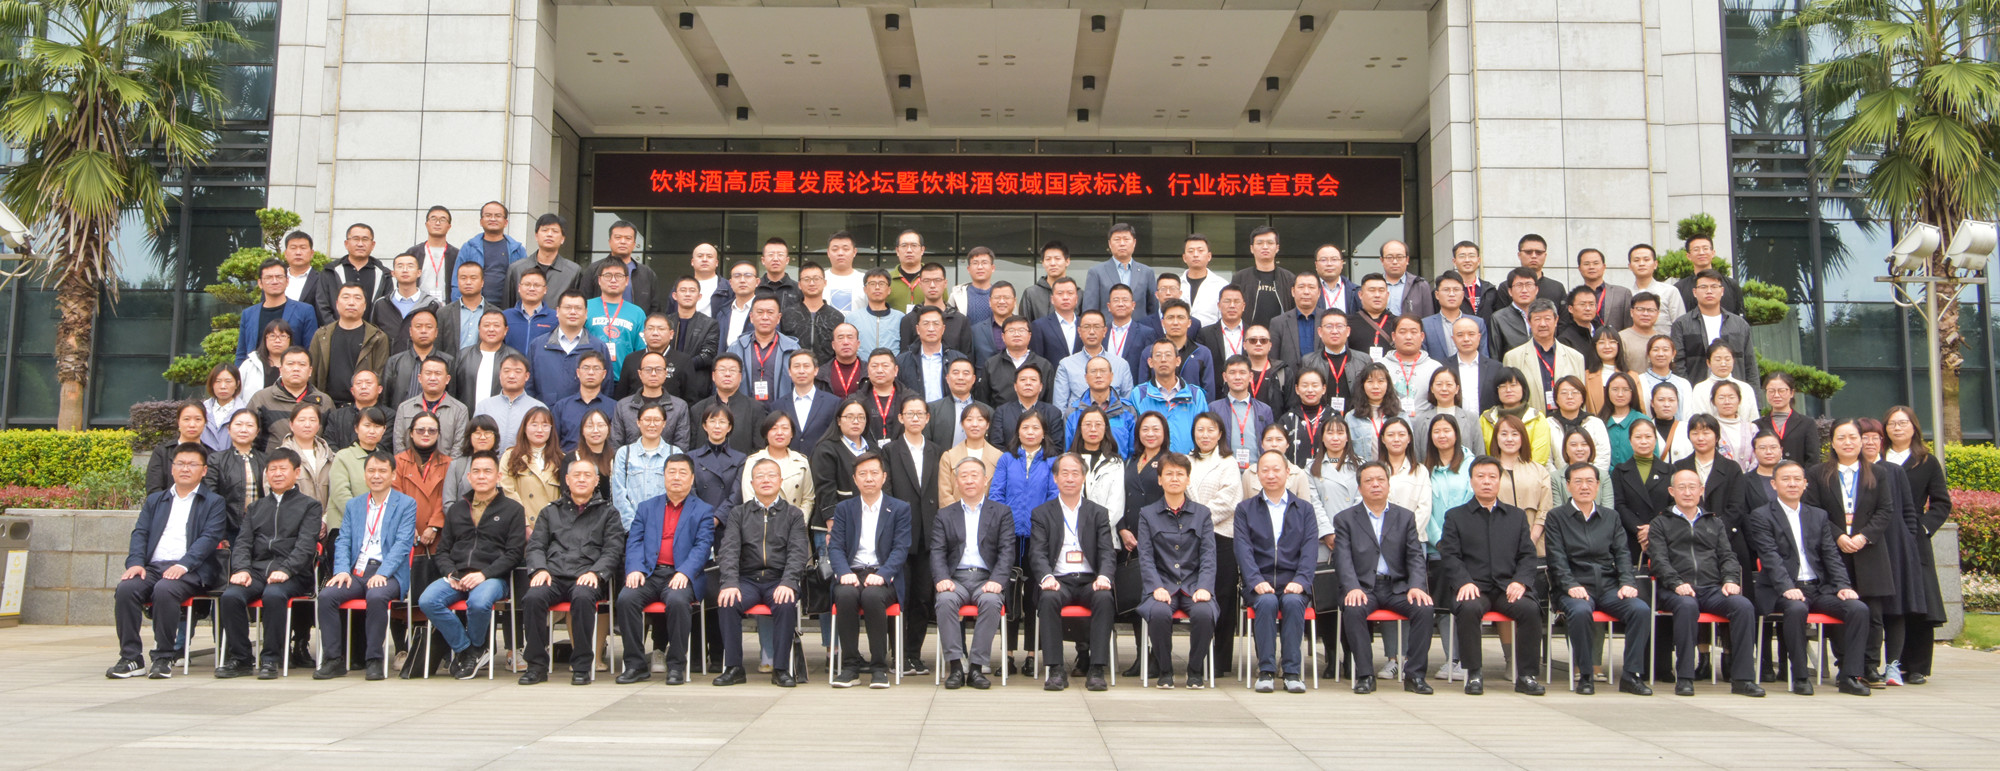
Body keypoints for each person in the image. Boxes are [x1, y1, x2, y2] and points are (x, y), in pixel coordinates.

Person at [1748, 460, 1873, 696]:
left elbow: (1830, 555)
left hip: (1818, 588)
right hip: (1781, 589)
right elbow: (1770, 557)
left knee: (1857, 608)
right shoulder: (1761, 516)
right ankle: (1800, 675)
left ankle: (1850, 676)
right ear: (1774, 484)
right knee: (1796, 609)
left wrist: (1843, 585)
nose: (1792, 484)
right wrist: (1787, 587)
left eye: (1797, 479)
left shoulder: (1818, 515)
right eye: (1786, 479)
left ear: (1805, 483)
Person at [108, 443, 228, 679]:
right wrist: (136, 563)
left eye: (192, 464)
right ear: (172, 469)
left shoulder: (214, 502)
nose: (185, 469)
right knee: (126, 589)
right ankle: (131, 658)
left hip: (191, 569)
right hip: (153, 567)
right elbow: (140, 533)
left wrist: (183, 565)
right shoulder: (156, 500)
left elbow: (209, 538)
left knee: (165, 589)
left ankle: (163, 657)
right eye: (180, 464)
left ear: (204, 470)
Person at [1649, 468, 1764, 697]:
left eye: (1692, 487)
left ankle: (1743, 679)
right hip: (1676, 590)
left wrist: (1730, 580)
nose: (1687, 492)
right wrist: (1676, 583)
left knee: (1743, 606)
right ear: (1672, 491)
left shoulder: (1714, 522)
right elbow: (1659, 560)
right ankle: (1685, 678)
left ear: (1701, 490)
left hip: (1711, 589)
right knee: (1686, 606)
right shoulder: (1660, 523)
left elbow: (1728, 556)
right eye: (1682, 487)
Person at [1438, 456, 1546, 695]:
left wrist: (1521, 581)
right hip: (1474, 586)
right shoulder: (1455, 516)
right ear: (1471, 481)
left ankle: (1526, 675)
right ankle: (1474, 673)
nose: (1486, 482)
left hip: (1508, 586)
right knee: (1468, 608)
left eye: (1492, 477)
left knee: (1530, 609)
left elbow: (1528, 555)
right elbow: (1450, 555)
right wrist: (1463, 582)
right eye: (1480, 476)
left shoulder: (1516, 516)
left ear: (1499, 481)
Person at [1544, 461, 1654, 696]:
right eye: (1578, 482)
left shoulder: (1611, 517)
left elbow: (1622, 554)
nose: (1584, 487)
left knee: (1640, 609)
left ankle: (1631, 675)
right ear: (1568, 486)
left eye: (1589, 482)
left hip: (1608, 585)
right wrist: (1570, 585)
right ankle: (1586, 674)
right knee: (1580, 611)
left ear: (1598, 485)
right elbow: (1556, 558)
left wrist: (1627, 583)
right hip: (1572, 586)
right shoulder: (1556, 517)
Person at [212, 449, 322, 681]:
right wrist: (242, 569)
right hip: (257, 570)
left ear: (296, 472)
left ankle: (271, 658)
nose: (277, 474)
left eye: (283, 469)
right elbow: (243, 543)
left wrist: (286, 570)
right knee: (231, 596)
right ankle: (241, 658)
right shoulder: (256, 507)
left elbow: (305, 546)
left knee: (274, 595)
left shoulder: (310, 506)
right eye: (273, 469)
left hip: (294, 573)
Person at [418, 450, 527, 680]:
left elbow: (514, 554)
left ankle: (476, 646)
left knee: (478, 603)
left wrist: (484, 574)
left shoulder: (513, 510)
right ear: (468, 477)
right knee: (428, 600)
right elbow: (443, 550)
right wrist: (451, 573)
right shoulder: (457, 509)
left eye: (487, 471)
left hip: (493, 577)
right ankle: (469, 649)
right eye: (476, 471)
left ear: (498, 476)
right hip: (457, 576)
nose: (481, 476)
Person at [1805, 420, 1898, 685]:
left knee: (1873, 613)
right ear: (1832, 442)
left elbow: (1885, 510)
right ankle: (1846, 664)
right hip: (1834, 552)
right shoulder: (1818, 473)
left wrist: (1863, 536)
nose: (1848, 442)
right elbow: (1814, 511)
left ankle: (1869, 666)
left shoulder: (1878, 473)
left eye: (1853, 437)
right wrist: (1838, 536)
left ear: (1861, 440)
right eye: (1841, 437)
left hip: (1870, 552)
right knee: (1842, 610)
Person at [516, 459, 624, 686]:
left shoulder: (608, 513)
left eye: (587, 475)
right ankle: (536, 666)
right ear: (567, 479)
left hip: (587, 576)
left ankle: (582, 666)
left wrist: (596, 573)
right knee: (533, 597)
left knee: (583, 597)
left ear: (596, 481)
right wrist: (539, 569)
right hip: (553, 575)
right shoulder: (550, 511)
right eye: (577, 475)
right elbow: (536, 546)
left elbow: (613, 550)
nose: (582, 479)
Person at [1334, 460, 1436, 694]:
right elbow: (1342, 559)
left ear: (1389, 485)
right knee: (1353, 609)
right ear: (1360, 488)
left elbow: (1415, 556)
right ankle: (1365, 675)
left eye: (1380, 480)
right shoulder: (1345, 519)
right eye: (1368, 481)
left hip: (1397, 587)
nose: (1375, 485)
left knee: (1424, 608)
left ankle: (1415, 676)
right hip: (1363, 588)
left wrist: (1417, 586)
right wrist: (1352, 587)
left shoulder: (1405, 517)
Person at [616, 454, 717, 685]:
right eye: (671, 472)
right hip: (649, 574)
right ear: (664, 476)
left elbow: (703, 547)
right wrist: (635, 569)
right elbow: (634, 541)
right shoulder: (646, 507)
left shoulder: (703, 510)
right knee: (626, 599)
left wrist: (685, 572)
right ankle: (635, 665)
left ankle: (676, 666)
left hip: (680, 575)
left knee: (678, 601)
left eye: (682, 472)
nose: (676, 477)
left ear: (692, 478)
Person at [314, 450, 415, 680]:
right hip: (357, 571)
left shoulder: (406, 504)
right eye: (371, 471)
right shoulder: (354, 505)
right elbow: (343, 540)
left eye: (382, 471)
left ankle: (374, 660)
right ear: (365, 474)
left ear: (393, 475)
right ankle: (333, 659)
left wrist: (383, 573)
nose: (376, 476)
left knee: (376, 596)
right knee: (327, 596)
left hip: (388, 573)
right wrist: (341, 570)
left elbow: (402, 544)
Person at [1233, 450, 1318, 694]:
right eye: (1265, 470)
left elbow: (1310, 549)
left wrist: (1301, 580)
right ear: (1257, 475)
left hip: (1294, 583)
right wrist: (1255, 580)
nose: (1271, 475)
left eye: (1276, 469)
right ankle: (1266, 671)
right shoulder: (1245, 509)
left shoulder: (1304, 509)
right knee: (1267, 602)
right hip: (1258, 583)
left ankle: (1292, 672)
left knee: (1292, 602)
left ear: (1287, 472)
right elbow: (1243, 549)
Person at [1031, 453, 1117, 691]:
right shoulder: (1042, 513)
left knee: (1104, 597)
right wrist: (1047, 577)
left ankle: (1096, 668)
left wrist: (1104, 577)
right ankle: (1056, 669)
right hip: (1059, 581)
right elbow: (1037, 553)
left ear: (1084, 477)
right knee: (1048, 598)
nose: (1070, 478)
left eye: (1075, 473)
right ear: (1055, 478)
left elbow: (1107, 552)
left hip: (1090, 581)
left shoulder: (1098, 512)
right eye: (1065, 473)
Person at [828, 453, 912, 688]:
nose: (869, 478)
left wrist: (882, 574)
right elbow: (835, 546)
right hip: (852, 572)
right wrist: (844, 572)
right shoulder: (844, 508)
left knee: (873, 596)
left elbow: (901, 548)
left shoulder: (899, 508)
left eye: (874, 473)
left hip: (883, 574)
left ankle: (878, 667)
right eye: (862, 474)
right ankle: (850, 666)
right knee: (845, 595)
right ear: (855, 479)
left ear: (884, 477)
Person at [1135, 452, 1217, 688]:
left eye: (1180, 474)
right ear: (1159, 479)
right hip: (1162, 585)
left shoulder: (1202, 514)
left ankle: (1195, 670)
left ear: (1188, 479)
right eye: (1168, 474)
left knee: (1204, 613)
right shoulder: (1147, 514)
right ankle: (1165, 671)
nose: (1174, 478)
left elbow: (1208, 555)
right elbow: (1146, 557)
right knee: (1159, 613)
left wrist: (1204, 587)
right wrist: (1156, 587)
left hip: (1194, 585)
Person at [931, 456, 1014, 690]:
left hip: (986, 578)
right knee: (945, 600)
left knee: (991, 601)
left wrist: (997, 580)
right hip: (955, 578)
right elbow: (937, 551)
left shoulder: (1001, 512)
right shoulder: (945, 514)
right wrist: (942, 579)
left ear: (985, 480)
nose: (969, 481)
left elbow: (1007, 551)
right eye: (964, 476)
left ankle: (977, 667)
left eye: (974, 475)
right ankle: (956, 666)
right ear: (956, 481)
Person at [1882, 404, 1949, 682]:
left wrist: (1922, 528)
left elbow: (1941, 502)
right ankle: (1885, 663)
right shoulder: (1876, 458)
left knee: (1919, 600)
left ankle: (1917, 666)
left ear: (1914, 427)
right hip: (1880, 536)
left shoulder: (1927, 461)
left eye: (1903, 423)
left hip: (1913, 537)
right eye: (1892, 423)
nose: (1897, 428)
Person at [883, 395, 943, 675]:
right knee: (899, 596)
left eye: (921, 414)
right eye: (910, 413)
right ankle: (897, 654)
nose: (916, 418)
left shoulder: (937, 451)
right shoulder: (890, 451)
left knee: (922, 596)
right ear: (901, 417)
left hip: (929, 534)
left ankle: (913, 654)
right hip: (900, 533)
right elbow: (887, 491)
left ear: (928, 419)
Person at [1671, 269, 1759, 388]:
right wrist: (1686, 392)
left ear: (1722, 291)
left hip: (1734, 393)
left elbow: (1750, 364)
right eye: (1703, 287)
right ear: (1694, 292)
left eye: (1714, 286)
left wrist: (1754, 396)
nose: (1709, 291)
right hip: (1697, 393)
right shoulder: (1682, 325)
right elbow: (1678, 364)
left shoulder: (1739, 324)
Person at [310, 284, 390, 407]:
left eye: (357, 298)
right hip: (327, 405)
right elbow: (312, 372)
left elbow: (380, 374)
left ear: (365, 305)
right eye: (346, 297)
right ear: (337, 304)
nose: (351, 303)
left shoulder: (377, 337)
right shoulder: (322, 335)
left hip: (363, 406)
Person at [1502, 299, 1585, 414]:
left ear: (1556, 320)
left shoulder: (1576, 358)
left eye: (1547, 319)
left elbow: (1582, 399)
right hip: (1529, 421)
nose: (1543, 324)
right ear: (1529, 322)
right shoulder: (1513, 358)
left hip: (1566, 422)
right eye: (1537, 319)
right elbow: (1509, 400)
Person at [528, 291, 611, 406]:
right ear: (557, 311)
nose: (573, 312)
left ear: (586, 313)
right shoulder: (538, 346)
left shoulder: (598, 347)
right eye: (567, 307)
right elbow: (529, 386)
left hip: (586, 414)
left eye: (578, 308)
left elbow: (607, 388)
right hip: (546, 414)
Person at [1130, 339, 1209, 454]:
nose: (1163, 359)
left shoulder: (1195, 395)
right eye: (1158, 355)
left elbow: (1204, 432)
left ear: (1178, 361)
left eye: (1168, 355)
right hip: (1152, 461)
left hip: (1188, 460)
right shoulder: (1139, 394)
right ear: (1150, 362)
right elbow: (1134, 435)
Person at [237, 258, 319, 365]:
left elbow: (311, 351)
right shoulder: (248, 314)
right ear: (260, 283)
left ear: (287, 281)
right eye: (269, 277)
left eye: (279, 277)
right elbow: (241, 353)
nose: (275, 281)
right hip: (256, 372)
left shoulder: (305, 311)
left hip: (290, 372)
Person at [611, 404, 680, 528]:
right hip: (631, 528)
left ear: (664, 423)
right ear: (638, 422)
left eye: (657, 420)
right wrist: (633, 526)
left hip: (665, 528)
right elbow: (618, 494)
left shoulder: (674, 453)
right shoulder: (625, 453)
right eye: (647, 420)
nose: (652, 424)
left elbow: (679, 492)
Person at [1612, 419, 1673, 561]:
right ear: (1630, 440)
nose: (1643, 441)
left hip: (1664, 536)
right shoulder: (1620, 471)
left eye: (1648, 436)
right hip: (1633, 537)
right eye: (1638, 437)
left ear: (1655, 440)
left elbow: (1673, 504)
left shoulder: (1669, 470)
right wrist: (1640, 529)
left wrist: (1653, 528)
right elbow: (1619, 505)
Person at [1052, 310, 1136, 409]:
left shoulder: (1121, 364)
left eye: (1096, 327)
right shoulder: (1066, 365)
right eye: (1086, 327)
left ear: (1104, 331)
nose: (1091, 332)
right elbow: (1059, 406)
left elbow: (1128, 405)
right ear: (1079, 331)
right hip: (1077, 418)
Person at [392, 412, 451, 553]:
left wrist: (434, 526)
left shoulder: (448, 463)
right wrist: (408, 526)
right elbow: (395, 495)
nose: (426, 434)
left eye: (432, 430)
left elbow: (447, 497)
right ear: (411, 433)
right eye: (420, 430)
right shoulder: (398, 461)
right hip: (403, 533)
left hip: (437, 535)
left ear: (438, 434)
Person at [314, 224, 394, 325]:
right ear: (346, 243)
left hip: (372, 333)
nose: (360, 244)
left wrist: (374, 332)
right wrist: (335, 329)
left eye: (365, 239)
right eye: (356, 239)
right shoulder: (330, 271)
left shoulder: (383, 274)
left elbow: (386, 309)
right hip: (335, 332)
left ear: (373, 244)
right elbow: (322, 305)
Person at [729, 295, 803, 404]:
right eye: (760, 312)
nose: (765, 317)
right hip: (744, 411)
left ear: (778, 318)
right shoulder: (737, 347)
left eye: (770, 312)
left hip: (782, 411)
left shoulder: (792, 348)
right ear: (751, 317)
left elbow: (801, 385)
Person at [616, 349, 694, 450]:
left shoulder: (679, 407)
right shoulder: (623, 406)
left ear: (665, 373)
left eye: (658, 369)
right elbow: (616, 444)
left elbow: (681, 445)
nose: (653, 373)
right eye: (648, 369)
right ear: (640, 374)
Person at [500, 407, 563, 531]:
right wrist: (524, 525)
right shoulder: (510, 456)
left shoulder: (561, 459)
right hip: (519, 527)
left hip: (553, 529)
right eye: (534, 425)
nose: (540, 430)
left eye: (545, 425)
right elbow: (507, 491)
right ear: (525, 428)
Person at [583, 259, 647, 383]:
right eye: (608, 276)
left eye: (619, 276)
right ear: (599, 280)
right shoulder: (585, 307)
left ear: (627, 280)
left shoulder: (637, 313)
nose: (613, 280)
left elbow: (641, 352)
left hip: (624, 381)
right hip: (589, 378)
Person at [453, 201, 526, 305]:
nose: (493, 219)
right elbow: (456, 282)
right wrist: (458, 307)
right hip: (475, 307)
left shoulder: (518, 250)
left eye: (498, 216)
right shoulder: (469, 248)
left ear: (506, 222)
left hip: (508, 308)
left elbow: (525, 282)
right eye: (488, 215)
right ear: (481, 221)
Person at [205, 409, 265, 537]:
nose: (243, 430)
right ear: (229, 429)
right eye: (238, 424)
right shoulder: (216, 459)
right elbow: (211, 496)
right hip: (229, 528)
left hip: (261, 528)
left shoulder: (266, 460)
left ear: (257, 431)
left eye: (250, 425)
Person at [581, 219, 659, 315]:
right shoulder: (594, 269)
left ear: (634, 244)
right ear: (610, 242)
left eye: (628, 238)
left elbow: (655, 308)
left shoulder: (647, 273)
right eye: (618, 237)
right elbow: (583, 302)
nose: (623, 242)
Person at [327, 407, 391, 524]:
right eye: (367, 425)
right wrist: (363, 517)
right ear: (356, 428)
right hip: (344, 523)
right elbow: (340, 493)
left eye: (377, 426)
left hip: (377, 524)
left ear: (384, 430)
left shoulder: (386, 460)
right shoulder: (343, 456)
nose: (372, 431)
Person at [899, 262, 976, 357]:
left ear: (945, 283)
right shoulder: (909, 320)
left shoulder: (960, 320)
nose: (932, 285)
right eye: (927, 281)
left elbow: (966, 358)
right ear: (920, 284)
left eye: (937, 280)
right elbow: (905, 357)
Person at [503, 214, 581, 308]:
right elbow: (507, 308)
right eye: (545, 230)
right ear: (536, 236)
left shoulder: (573, 272)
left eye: (555, 231)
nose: (549, 234)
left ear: (562, 239)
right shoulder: (516, 269)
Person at [369, 253, 441, 353]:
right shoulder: (381, 304)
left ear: (419, 273)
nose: (405, 270)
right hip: (388, 361)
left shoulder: (431, 304)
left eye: (410, 266)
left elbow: (439, 339)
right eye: (400, 266)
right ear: (393, 273)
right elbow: (373, 338)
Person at [694, 354, 767, 453]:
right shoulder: (698, 409)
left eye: (732, 370)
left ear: (740, 377)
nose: (727, 374)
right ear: (713, 376)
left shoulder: (755, 408)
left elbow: (759, 449)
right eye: (722, 370)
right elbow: (693, 448)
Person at [1082, 223, 1158, 317]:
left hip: (1139, 326)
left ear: (1134, 242)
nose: (1122, 243)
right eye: (1117, 239)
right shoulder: (1096, 272)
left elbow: (1153, 309)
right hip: (1108, 326)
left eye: (1126, 239)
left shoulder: (1147, 272)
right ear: (1110, 244)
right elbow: (1090, 310)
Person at [1478, 368, 1552, 464]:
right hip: (1493, 471)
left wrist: (1522, 470)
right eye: (1502, 386)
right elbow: (1481, 451)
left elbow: (1540, 456)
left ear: (1523, 388)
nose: (1508, 390)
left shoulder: (1537, 418)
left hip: (1530, 471)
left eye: (1513, 385)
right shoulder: (1486, 418)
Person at [896, 305, 969, 403]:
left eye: (936, 324)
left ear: (943, 329)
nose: (931, 329)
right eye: (926, 324)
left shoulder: (958, 360)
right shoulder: (902, 361)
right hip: (916, 412)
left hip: (949, 411)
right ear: (918, 329)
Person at [977, 317, 1054, 410]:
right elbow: (984, 402)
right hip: (1000, 418)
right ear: (1003, 336)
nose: (1016, 334)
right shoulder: (991, 364)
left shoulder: (1044, 365)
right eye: (1011, 330)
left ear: (1029, 335)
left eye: (1021, 330)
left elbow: (1048, 401)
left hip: (1035, 417)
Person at [472, 353, 543, 452]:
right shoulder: (484, 406)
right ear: (500, 375)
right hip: (490, 460)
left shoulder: (538, 408)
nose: (511, 376)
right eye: (506, 371)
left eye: (518, 371)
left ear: (527, 376)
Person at [1210, 356, 1274, 466]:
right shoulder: (1214, 408)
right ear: (1225, 377)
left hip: (1257, 470)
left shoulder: (1264, 410)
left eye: (1242, 372)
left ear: (1250, 376)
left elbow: (1270, 441)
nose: (1237, 377)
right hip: (1225, 469)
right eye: (1232, 373)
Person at [549, 351, 617, 452]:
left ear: (604, 374)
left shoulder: (614, 407)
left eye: (596, 368)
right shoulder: (562, 407)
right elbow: (552, 443)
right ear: (578, 372)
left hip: (603, 460)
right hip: (568, 459)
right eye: (586, 368)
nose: (591, 372)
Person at [1228, 227, 1297, 327]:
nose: (1265, 247)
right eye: (1259, 243)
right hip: (1249, 334)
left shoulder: (1289, 278)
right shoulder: (1240, 278)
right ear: (1252, 248)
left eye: (1270, 243)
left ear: (1277, 248)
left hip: (1281, 334)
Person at [380, 308, 448, 407]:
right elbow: (385, 400)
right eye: (418, 326)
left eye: (429, 327)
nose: (423, 331)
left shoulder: (448, 361)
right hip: (401, 415)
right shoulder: (394, 362)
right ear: (410, 331)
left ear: (436, 332)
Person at [940, 403, 1003, 506]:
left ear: (987, 425)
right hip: (955, 514)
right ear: (962, 424)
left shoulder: (999, 456)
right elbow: (944, 495)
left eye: (980, 420)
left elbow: (1000, 493)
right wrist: (956, 514)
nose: (974, 424)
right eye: (969, 420)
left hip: (990, 514)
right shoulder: (948, 457)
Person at [688, 403, 746, 514]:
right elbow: (690, 491)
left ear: (729, 427)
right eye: (712, 421)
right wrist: (704, 516)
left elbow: (736, 495)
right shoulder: (691, 457)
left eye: (722, 422)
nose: (717, 426)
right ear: (705, 426)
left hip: (727, 519)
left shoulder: (740, 459)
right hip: (698, 516)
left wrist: (718, 517)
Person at [665, 276, 720, 390]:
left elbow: (708, 355)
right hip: (666, 381)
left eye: (692, 290)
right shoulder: (665, 322)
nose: (687, 294)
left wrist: (680, 366)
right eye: (683, 290)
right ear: (675, 296)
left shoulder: (710, 324)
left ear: (699, 296)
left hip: (696, 383)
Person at [782, 262, 844, 364]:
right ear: (799, 284)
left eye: (816, 279)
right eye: (806, 279)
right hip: (795, 370)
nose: (812, 283)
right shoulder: (788, 315)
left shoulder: (836, 317)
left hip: (826, 372)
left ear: (825, 283)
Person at [453, 311, 518, 407]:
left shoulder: (514, 358)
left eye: (496, 325)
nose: (491, 329)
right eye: (486, 325)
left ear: (505, 330)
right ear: (479, 329)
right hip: (467, 414)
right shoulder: (463, 355)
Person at [145, 402, 211, 495]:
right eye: (186, 419)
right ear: (178, 422)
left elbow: (213, 490)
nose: (192, 424)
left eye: (198, 419)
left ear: (205, 422)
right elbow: (153, 488)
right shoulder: (162, 452)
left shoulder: (212, 455)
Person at [1755, 373, 1821, 465]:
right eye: (1771, 391)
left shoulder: (1807, 423)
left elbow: (1813, 459)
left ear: (1792, 393)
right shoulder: (1757, 425)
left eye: (1781, 391)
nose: (1776, 395)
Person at [1275, 368, 1333, 468]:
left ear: (1323, 389)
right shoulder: (1287, 419)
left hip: (1327, 474)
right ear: (1297, 389)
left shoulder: (1333, 417)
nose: (1310, 390)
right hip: (1294, 474)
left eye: (1315, 385)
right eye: (1305, 385)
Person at [1423, 273, 1489, 362]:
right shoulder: (1425, 325)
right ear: (1437, 295)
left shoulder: (1477, 323)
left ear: (1462, 295)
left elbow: (1484, 358)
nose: (1451, 294)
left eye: (1456, 290)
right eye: (1446, 290)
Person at [1673, 235, 1745, 316]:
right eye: (1696, 249)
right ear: (1688, 256)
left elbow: (1739, 316)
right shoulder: (1679, 288)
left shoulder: (1731, 285)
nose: (1701, 253)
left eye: (1705, 248)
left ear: (1713, 253)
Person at [1447, 316, 1505, 413]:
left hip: (1487, 421)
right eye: (1460, 335)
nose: (1466, 339)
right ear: (1453, 339)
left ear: (1479, 337)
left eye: (1471, 334)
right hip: (1454, 421)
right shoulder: (1443, 367)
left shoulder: (1496, 368)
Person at [1102, 284, 1160, 378]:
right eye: (1116, 300)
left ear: (1133, 305)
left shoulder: (1146, 333)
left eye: (1125, 300)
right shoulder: (1102, 332)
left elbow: (1149, 368)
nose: (1121, 304)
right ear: (1109, 306)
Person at [437, 261, 491, 358]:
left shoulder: (494, 313)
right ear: (457, 281)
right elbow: (438, 347)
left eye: (473, 278)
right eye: (463, 278)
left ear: (482, 282)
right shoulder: (443, 313)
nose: (468, 282)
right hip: (451, 365)